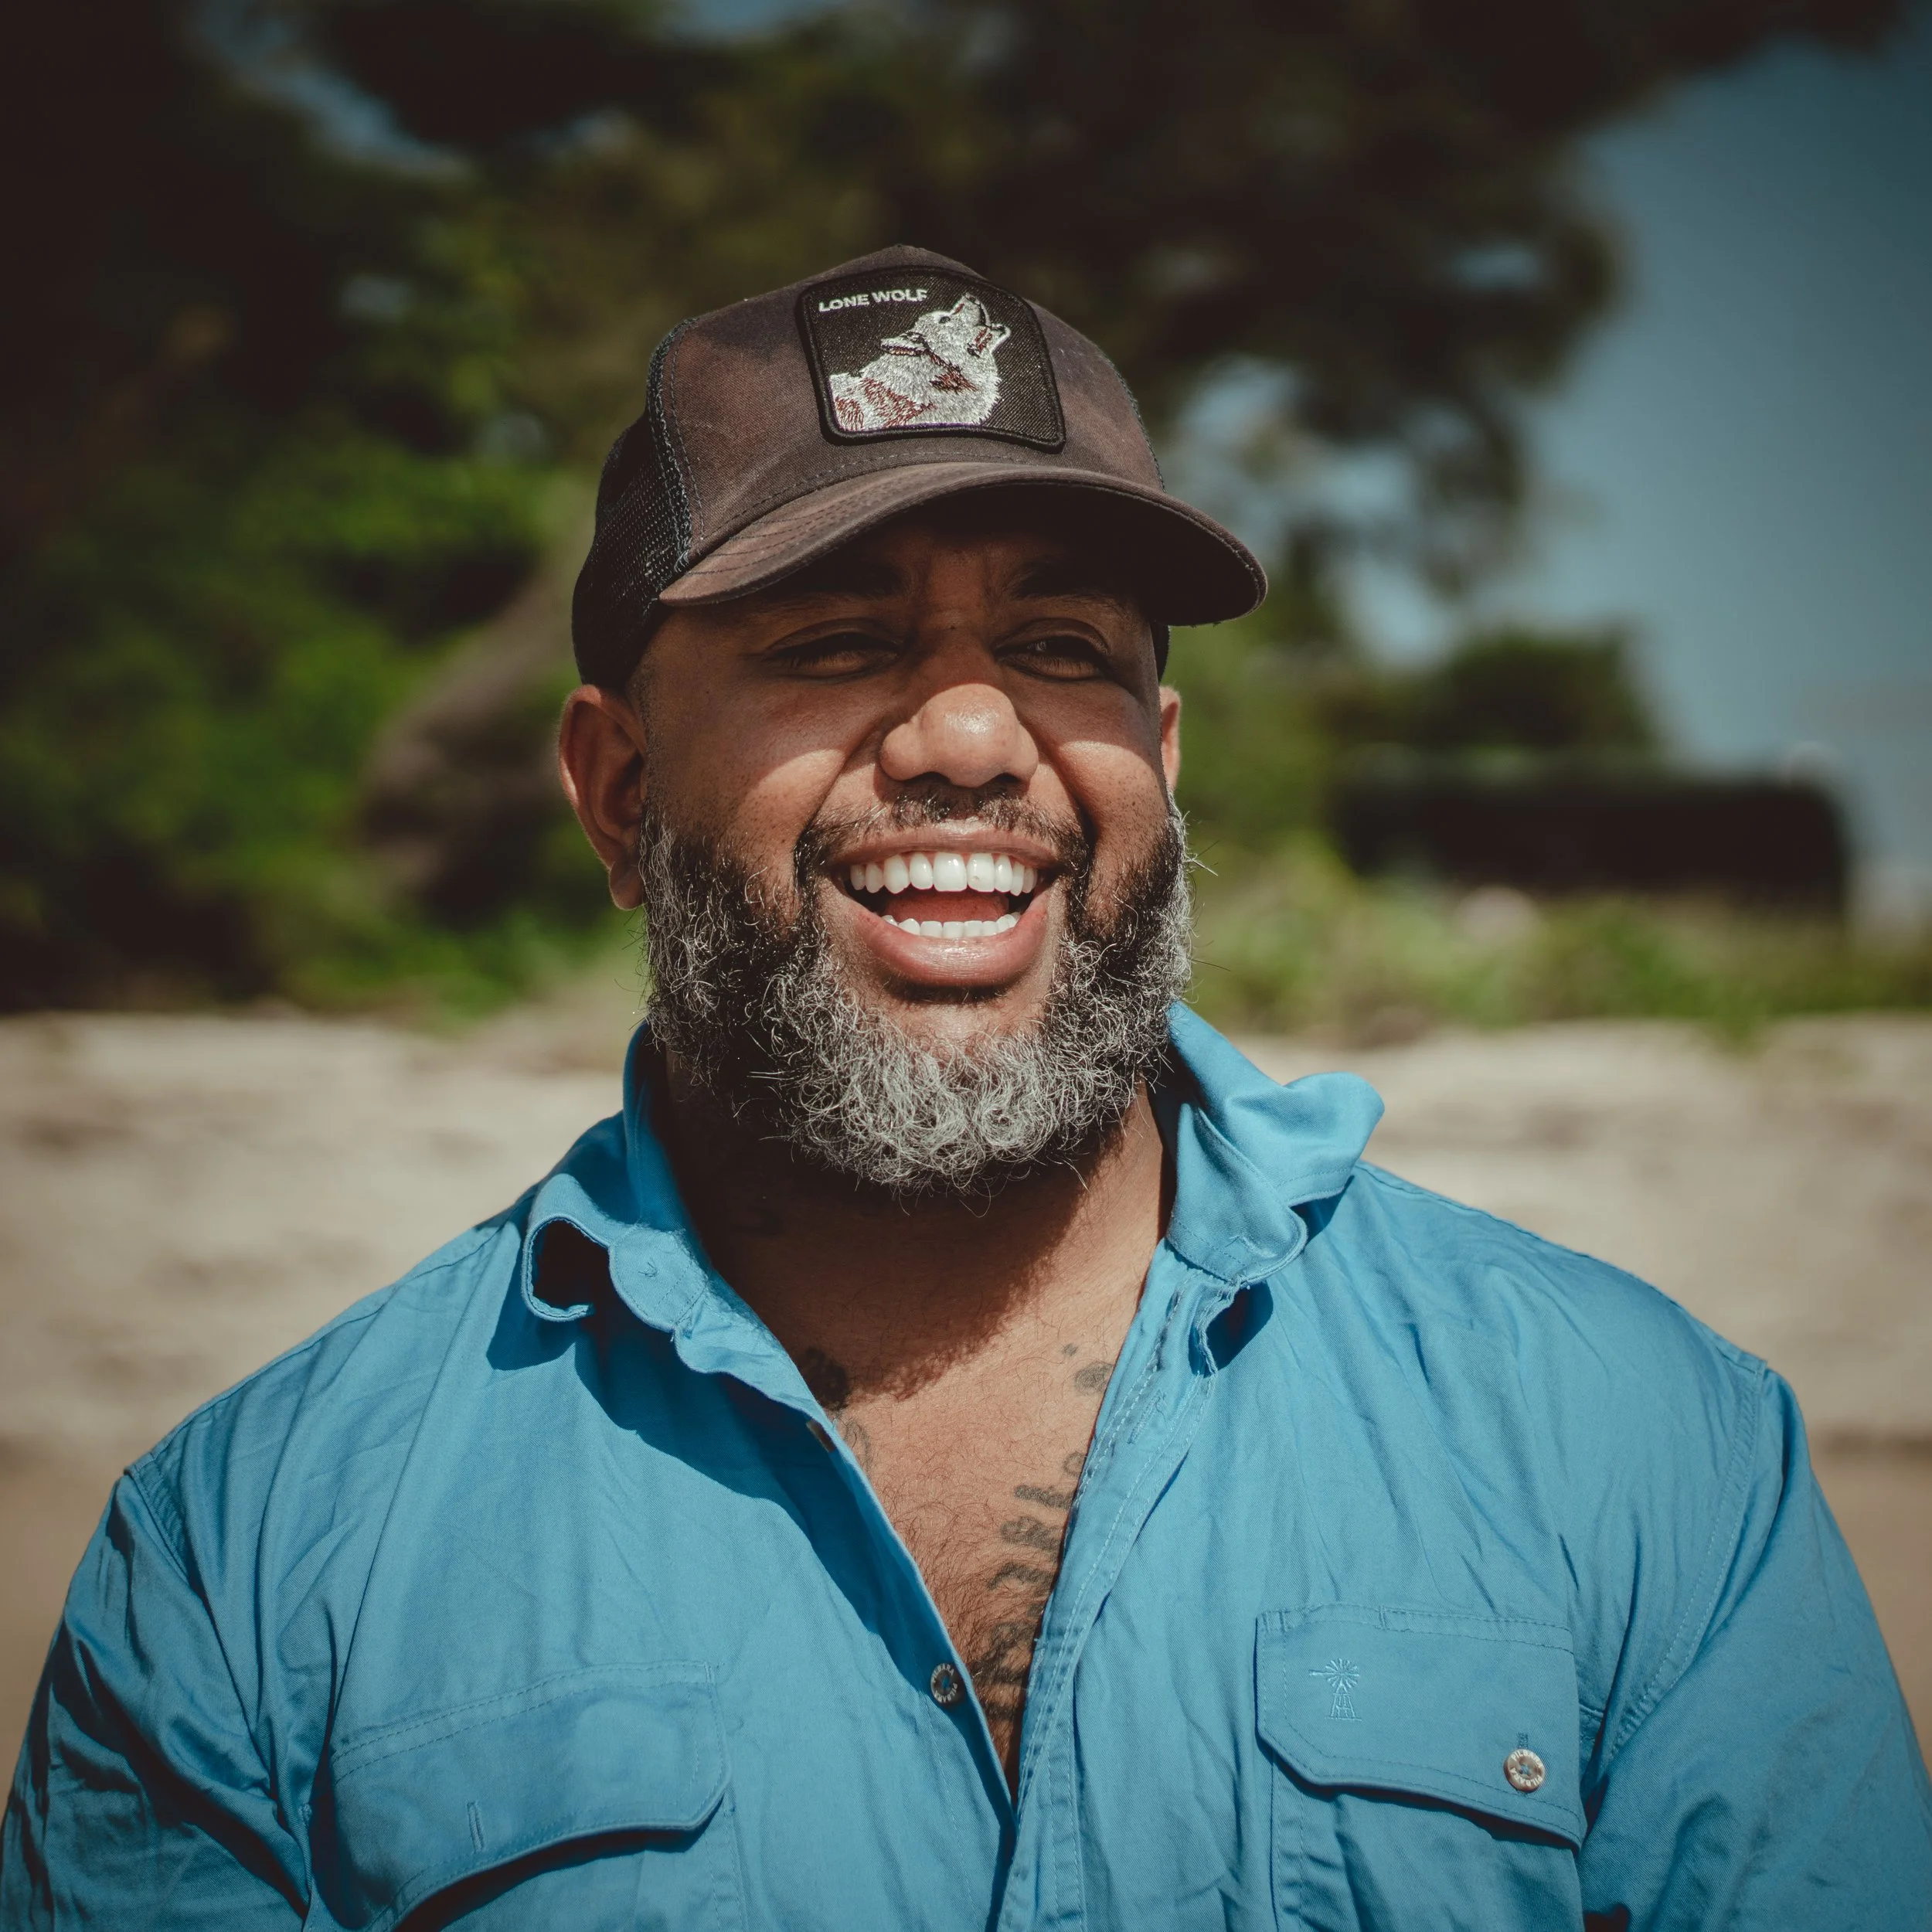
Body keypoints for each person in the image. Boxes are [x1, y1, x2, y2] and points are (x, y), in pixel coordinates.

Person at [3, 245, 1927, 1930]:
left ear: (1160, 762)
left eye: (1060, 645)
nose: (968, 733)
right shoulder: (253, 1558)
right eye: (832, 641)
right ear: (613, 790)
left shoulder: (1642, 1446)